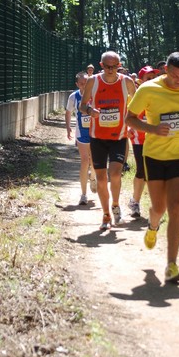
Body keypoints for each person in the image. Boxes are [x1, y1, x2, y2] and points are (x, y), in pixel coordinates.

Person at [125, 52, 179, 283]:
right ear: (165, 70)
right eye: (175, 75)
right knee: (158, 208)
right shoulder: (148, 89)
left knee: (177, 206)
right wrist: (152, 129)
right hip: (154, 156)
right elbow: (129, 118)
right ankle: (152, 225)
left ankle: (172, 265)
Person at [80, 50, 135, 230]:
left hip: (119, 137)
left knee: (116, 174)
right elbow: (82, 106)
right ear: (101, 65)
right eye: (107, 67)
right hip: (97, 138)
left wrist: (136, 122)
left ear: (119, 66)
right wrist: (90, 111)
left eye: (115, 67)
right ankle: (105, 214)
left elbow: (137, 103)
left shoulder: (126, 82)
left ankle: (116, 205)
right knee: (102, 178)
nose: (111, 70)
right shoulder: (92, 81)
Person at [128, 66, 160, 218]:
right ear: (140, 81)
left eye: (154, 77)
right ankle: (135, 201)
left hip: (156, 139)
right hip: (139, 139)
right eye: (148, 78)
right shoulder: (135, 97)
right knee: (142, 170)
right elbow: (127, 115)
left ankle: (157, 205)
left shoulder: (160, 96)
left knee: (153, 173)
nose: (152, 80)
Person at [65, 71, 97, 205]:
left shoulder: (95, 94)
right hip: (81, 133)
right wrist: (68, 127)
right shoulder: (74, 97)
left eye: (87, 83)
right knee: (85, 161)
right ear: (77, 84)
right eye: (82, 84)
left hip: (95, 132)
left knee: (94, 162)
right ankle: (83, 194)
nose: (84, 86)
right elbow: (68, 112)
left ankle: (93, 177)